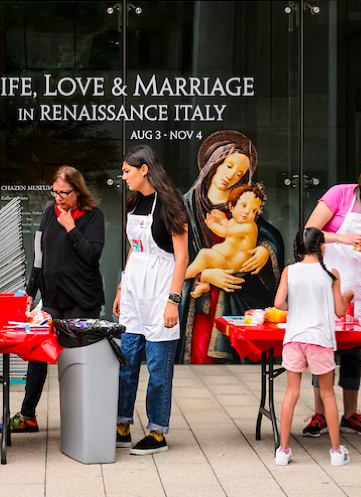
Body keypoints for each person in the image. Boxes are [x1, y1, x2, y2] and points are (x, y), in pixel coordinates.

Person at [0, 166, 105, 433]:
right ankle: (27, 415)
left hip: (82, 299)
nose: (58, 197)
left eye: (64, 193)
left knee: (78, 360)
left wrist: (71, 228)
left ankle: (83, 419)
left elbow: (92, 256)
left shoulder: (93, 217)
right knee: (38, 353)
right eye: (55, 192)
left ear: (78, 191)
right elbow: (40, 257)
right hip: (53, 298)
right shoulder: (48, 212)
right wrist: (29, 293)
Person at [302, 157, 361, 438]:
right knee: (324, 347)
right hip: (329, 283)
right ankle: (320, 414)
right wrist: (342, 238)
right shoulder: (339, 194)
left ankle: (351, 414)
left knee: (355, 350)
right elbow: (309, 233)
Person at [181, 130, 284, 364]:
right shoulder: (186, 205)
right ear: (214, 163)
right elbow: (171, 253)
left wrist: (265, 251)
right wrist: (203, 274)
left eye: (239, 173)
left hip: (236, 293)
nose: (231, 176)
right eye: (228, 166)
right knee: (200, 359)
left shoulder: (241, 206)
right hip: (202, 302)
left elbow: (269, 235)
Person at [114, 145, 188, 455]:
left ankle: (158, 432)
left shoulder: (171, 204)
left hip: (160, 294)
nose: (123, 177)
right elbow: (135, 247)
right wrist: (121, 287)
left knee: (159, 369)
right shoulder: (134, 203)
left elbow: (182, 257)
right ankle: (121, 424)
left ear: (144, 169)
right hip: (133, 292)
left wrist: (173, 300)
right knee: (126, 361)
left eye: (127, 172)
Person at [272, 228, 352, 467]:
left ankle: (283, 450)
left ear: (298, 249)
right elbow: (339, 312)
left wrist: (295, 305)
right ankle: (336, 452)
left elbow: (278, 303)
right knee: (327, 394)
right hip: (320, 340)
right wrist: (346, 297)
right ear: (322, 247)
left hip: (294, 337)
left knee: (291, 393)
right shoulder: (331, 273)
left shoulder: (290, 271)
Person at [186, 185, 264, 298]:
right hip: (225, 261)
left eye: (253, 210)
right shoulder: (234, 221)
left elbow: (225, 232)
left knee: (205, 254)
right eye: (244, 205)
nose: (247, 212)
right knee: (209, 260)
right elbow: (228, 226)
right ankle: (204, 284)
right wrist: (222, 219)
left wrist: (212, 225)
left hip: (232, 265)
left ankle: (186, 274)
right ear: (231, 207)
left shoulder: (249, 227)